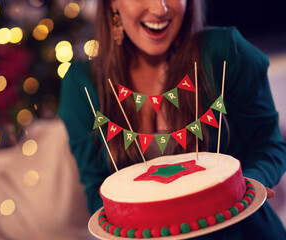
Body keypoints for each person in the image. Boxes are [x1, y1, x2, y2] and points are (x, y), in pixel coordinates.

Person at [58, 0, 286, 239]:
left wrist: (237, 188)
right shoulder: (81, 86)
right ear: (113, 4)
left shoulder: (227, 51)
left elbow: (267, 144)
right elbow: (96, 187)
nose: (160, 8)